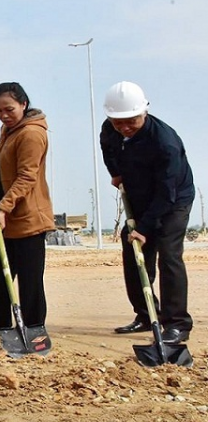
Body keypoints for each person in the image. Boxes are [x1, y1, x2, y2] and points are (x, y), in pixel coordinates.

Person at [100, 81, 195, 344]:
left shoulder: (165, 143)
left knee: (168, 255)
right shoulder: (110, 130)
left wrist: (144, 228)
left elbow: (168, 193)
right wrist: (116, 173)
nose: (124, 127)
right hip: (139, 197)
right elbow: (108, 148)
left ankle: (177, 324)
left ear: (145, 112)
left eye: (131, 121)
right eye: (119, 122)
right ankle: (146, 314)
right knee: (132, 252)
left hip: (174, 201)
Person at [0, 82, 54, 334]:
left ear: (23, 104)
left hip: (27, 217)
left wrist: (3, 209)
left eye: (9, 109)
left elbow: (27, 176)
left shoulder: (31, 134)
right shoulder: (10, 129)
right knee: (0, 272)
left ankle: (33, 325)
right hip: (6, 215)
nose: (3, 115)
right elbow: (7, 158)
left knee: (29, 279)